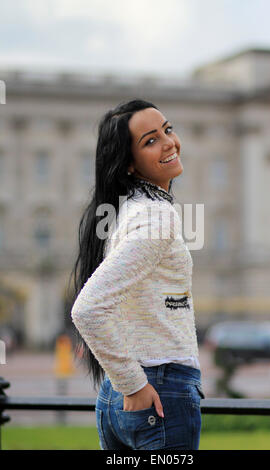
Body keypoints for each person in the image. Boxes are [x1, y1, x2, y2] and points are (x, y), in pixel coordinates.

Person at [69, 99, 205, 450]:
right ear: (129, 164)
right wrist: (134, 384)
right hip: (158, 390)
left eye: (168, 130)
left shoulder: (124, 211)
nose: (169, 142)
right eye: (150, 140)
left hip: (117, 397)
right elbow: (88, 308)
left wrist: (127, 383)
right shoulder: (157, 216)